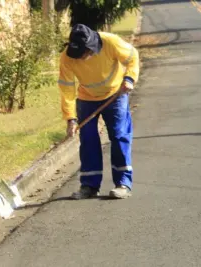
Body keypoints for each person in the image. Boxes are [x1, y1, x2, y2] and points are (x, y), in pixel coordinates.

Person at [58, 24, 139, 199]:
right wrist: (70, 119)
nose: (81, 58)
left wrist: (129, 78)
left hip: (115, 94)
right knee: (88, 139)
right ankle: (89, 186)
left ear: (91, 47)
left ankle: (123, 183)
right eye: (78, 55)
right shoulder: (67, 58)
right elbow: (67, 89)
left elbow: (132, 57)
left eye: (84, 54)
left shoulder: (111, 42)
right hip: (86, 98)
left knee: (118, 136)